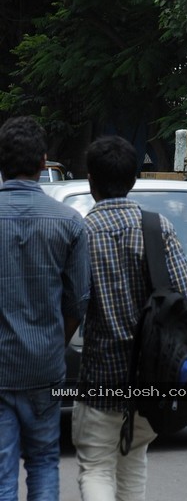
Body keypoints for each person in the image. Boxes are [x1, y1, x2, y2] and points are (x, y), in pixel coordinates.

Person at [72, 136, 187, 501]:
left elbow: (71, 303)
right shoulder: (158, 228)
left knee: (96, 468)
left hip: (99, 375)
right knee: (134, 463)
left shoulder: (81, 234)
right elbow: (185, 289)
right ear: (132, 180)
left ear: (91, 179)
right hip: (151, 375)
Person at [0, 116, 90, 501]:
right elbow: (78, 301)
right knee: (42, 464)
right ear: (43, 162)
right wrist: (55, 342)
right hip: (44, 367)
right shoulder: (69, 223)